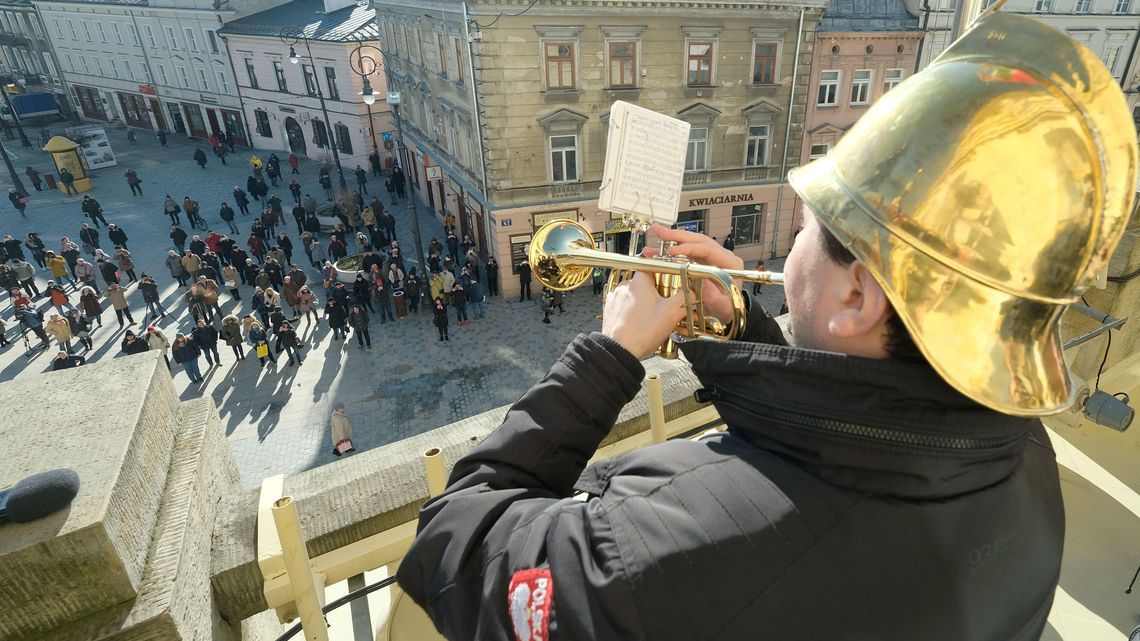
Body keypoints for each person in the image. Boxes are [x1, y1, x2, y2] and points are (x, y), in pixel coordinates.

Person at [395, 15, 1130, 639]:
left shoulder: (669, 545)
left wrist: (608, 353)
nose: (787, 247)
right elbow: (856, 435)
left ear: (856, 296)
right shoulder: (1024, 458)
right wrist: (746, 330)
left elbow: (454, 542)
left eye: (807, 224)